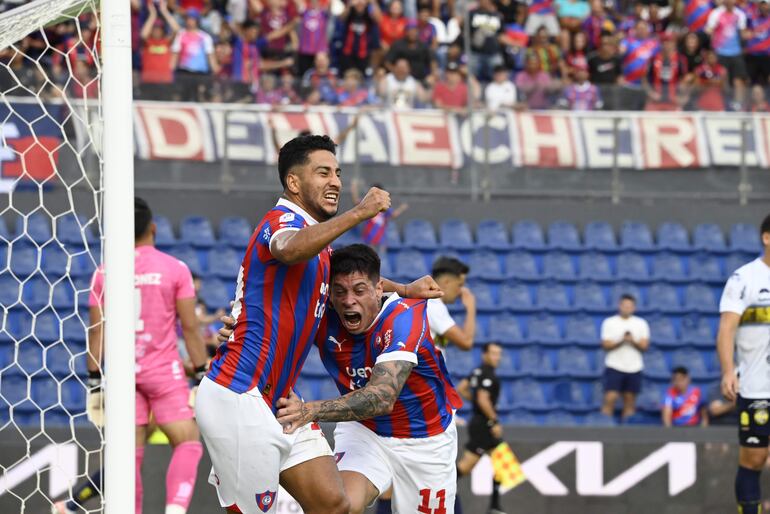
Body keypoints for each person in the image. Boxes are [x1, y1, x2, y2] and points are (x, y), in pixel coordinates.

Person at [195, 134, 441, 514]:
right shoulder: (282, 222)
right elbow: (288, 248)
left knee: (333, 505)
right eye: (323, 172)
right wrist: (360, 212)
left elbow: (341, 282)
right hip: (239, 393)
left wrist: (402, 288)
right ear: (294, 183)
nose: (336, 182)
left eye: (338, 173)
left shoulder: (321, 247)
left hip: (278, 402)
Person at [274, 244, 463, 514]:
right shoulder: (322, 313)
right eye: (340, 292)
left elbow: (382, 397)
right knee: (339, 507)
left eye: (359, 291)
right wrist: (238, 334)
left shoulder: (404, 316)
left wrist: (308, 411)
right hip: (365, 431)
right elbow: (275, 311)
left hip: (425, 440)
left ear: (378, 290)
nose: (349, 300)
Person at [85, 198, 209, 514]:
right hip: (163, 371)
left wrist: (95, 380)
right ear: (153, 229)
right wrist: (200, 370)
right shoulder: (174, 268)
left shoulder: (103, 273)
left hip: (124, 374)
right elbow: (191, 327)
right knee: (187, 441)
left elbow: (97, 331)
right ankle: (175, 510)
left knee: (129, 456)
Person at [717, 213, 770, 514]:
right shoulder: (744, 278)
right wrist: (728, 369)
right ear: (767, 238)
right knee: (754, 458)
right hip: (756, 385)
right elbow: (727, 327)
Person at [455, 343, 506, 514]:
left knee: (502, 462)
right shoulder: (488, 375)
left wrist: (476, 402)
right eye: (493, 353)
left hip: (477, 421)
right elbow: (483, 399)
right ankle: (438, 483)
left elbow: (462, 388)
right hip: (484, 424)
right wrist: (494, 421)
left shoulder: (477, 371)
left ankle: (495, 506)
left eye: (498, 354)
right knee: (466, 466)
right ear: (485, 354)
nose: (496, 357)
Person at [600, 294, 650, 420]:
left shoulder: (641, 323)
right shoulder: (609, 322)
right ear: (619, 306)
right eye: (624, 306)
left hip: (634, 367)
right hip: (614, 365)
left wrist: (632, 341)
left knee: (630, 400)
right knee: (610, 397)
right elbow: (605, 344)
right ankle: (604, 428)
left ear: (634, 308)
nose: (627, 308)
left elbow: (644, 345)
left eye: (629, 306)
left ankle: (627, 433)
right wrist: (621, 340)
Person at [705, 0, 749, 108]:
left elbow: (743, 33)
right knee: (722, 80)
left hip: (736, 52)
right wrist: (710, 33)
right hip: (720, 52)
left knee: (738, 79)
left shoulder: (740, 14)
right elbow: (709, 29)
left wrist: (748, 35)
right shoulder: (716, 13)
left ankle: (738, 105)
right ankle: (723, 103)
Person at [428, 257, 476, 355]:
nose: (461, 291)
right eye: (459, 285)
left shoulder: (430, 303)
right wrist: (471, 307)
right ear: (446, 282)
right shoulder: (433, 306)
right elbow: (466, 342)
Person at [170, 9, 219, 101]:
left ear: (197, 20)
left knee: (200, 98)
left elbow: (210, 55)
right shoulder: (181, 35)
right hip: (184, 72)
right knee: (184, 97)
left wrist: (214, 68)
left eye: (192, 19)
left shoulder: (204, 37)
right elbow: (175, 53)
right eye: (188, 19)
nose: (190, 21)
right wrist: (171, 68)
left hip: (200, 74)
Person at [350, 179, 408, 253]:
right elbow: (356, 201)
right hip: (368, 238)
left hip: (381, 239)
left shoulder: (384, 205)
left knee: (380, 260)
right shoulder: (367, 203)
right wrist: (354, 188)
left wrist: (402, 208)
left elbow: (393, 215)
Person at [139, 0, 179, 100]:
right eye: (154, 28)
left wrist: (164, 11)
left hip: (165, 82)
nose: (156, 30)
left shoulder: (166, 42)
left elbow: (176, 29)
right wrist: (152, 15)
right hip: (148, 82)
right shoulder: (147, 43)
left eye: (159, 28)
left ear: (162, 30)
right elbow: (143, 34)